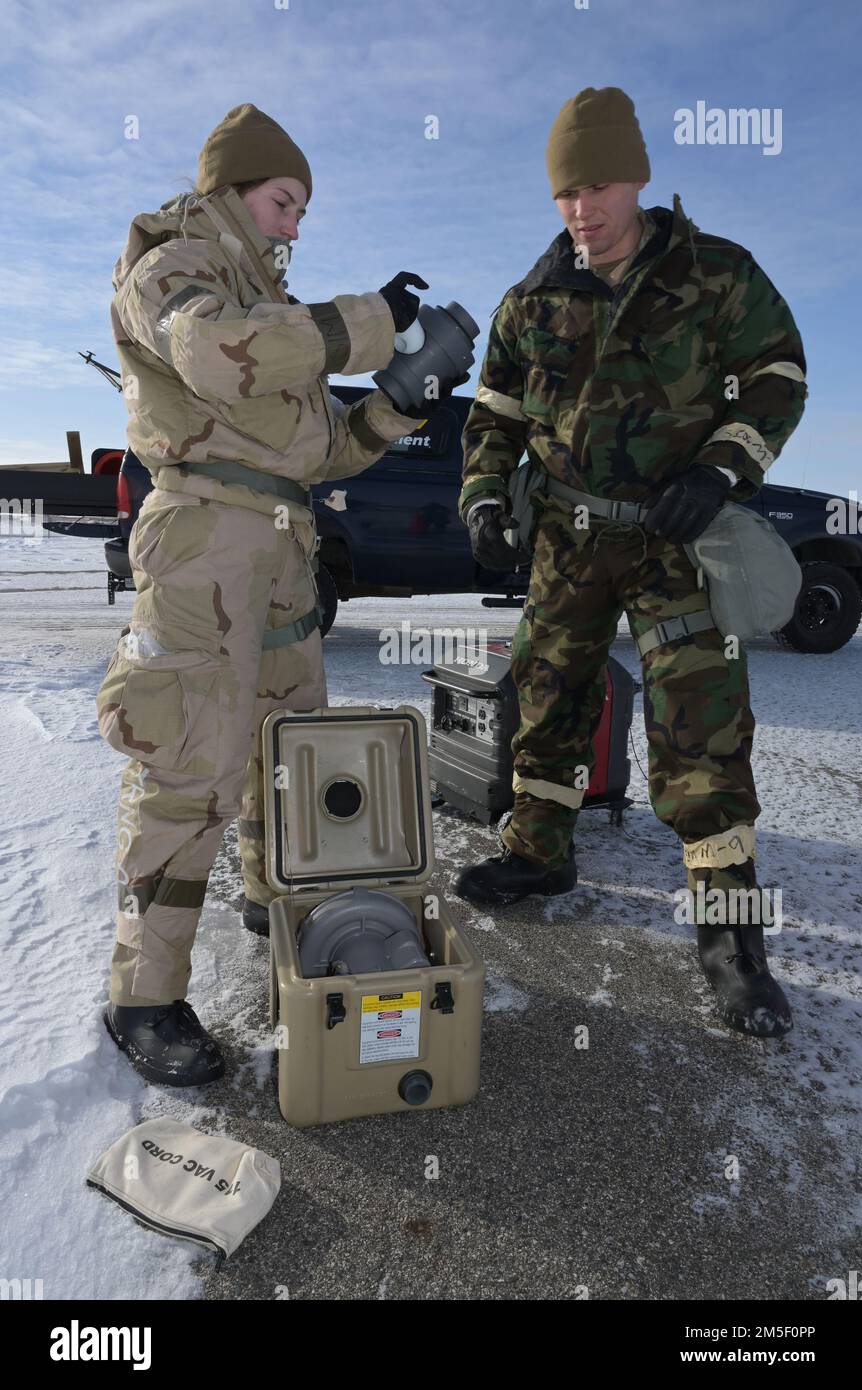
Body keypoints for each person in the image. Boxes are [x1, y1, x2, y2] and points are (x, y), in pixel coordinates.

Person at [96, 102, 460, 1086]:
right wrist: (370, 321)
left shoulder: (273, 310)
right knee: (190, 770)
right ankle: (142, 992)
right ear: (228, 189)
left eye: (302, 208)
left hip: (283, 546)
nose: (296, 224)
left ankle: (272, 897)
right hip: (203, 544)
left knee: (288, 747)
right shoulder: (171, 269)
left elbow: (326, 448)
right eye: (283, 199)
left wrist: (401, 397)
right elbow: (215, 353)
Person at [455, 87, 807, 1039]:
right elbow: (493, 417)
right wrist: (485, 496)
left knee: (702, 726)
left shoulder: (716, 275)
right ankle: (538, 849)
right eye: (566, 192)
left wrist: (724, 465)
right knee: (546, 692)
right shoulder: (530, 302)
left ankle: (731, 938)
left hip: (676, 538)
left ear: (639, 178)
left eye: (599, 185)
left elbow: (778, 377)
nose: (582, 209)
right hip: (568, 537)